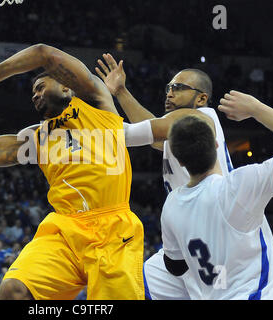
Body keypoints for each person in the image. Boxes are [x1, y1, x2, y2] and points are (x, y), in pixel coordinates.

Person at [0, 42, 148, 300]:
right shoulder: (36, 137)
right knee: (14, 291)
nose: (34, 95)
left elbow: (43, 53)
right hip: (64, 229)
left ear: (66, 86)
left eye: (40, 87)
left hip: (113, 230)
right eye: (32, 93)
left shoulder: (95, 101)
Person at [96, 54, 233, 299]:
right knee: (130, 290)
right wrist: (120, 92)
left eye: (178, 88)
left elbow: (135, 133)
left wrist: (81, 119)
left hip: (214, 239)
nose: (169, 93)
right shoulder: (179, 129)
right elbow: (153, 130)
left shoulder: (201, 118)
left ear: (201, 98)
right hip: (185, 238)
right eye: (168, 87)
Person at [160, 91, 273, 299]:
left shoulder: (171, 205)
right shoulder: (238, 187)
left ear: (178, 160)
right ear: (216, 145)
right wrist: (256, 108)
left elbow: (175, 266)